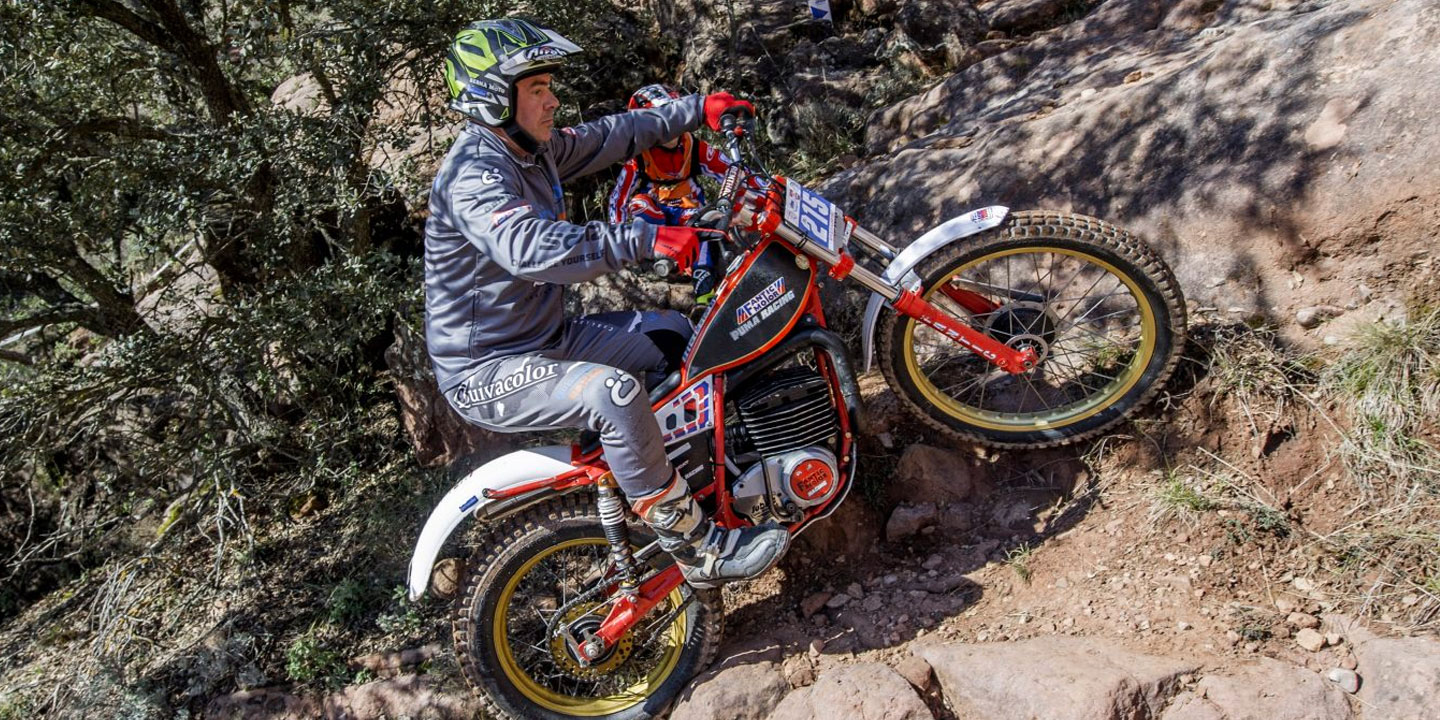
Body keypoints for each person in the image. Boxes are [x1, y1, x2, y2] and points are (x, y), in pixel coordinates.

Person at [424, 18, 789, 588]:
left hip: (545, 339)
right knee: (613, 394)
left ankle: (685, 480)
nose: (553, 100)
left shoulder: (532, 150)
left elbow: (612, 134)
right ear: (494, 96)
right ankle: (697, 547)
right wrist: (647, 237)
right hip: (485, 371)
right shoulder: (474, 176)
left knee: (673, 337)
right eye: (537, 89)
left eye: (549, 86)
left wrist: (698, 108)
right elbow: (530, 248)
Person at [607, 84, 734, 228]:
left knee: (704, 224)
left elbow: (732, 171)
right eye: (659, 120)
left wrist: (762, 194)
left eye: (673, 116)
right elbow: (618, 199)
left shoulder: (693, 146)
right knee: (639, 205)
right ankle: (652, 245)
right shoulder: (639, 156)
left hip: (689, 208)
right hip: (655, 209)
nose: (670, 126)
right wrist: (617, 234)